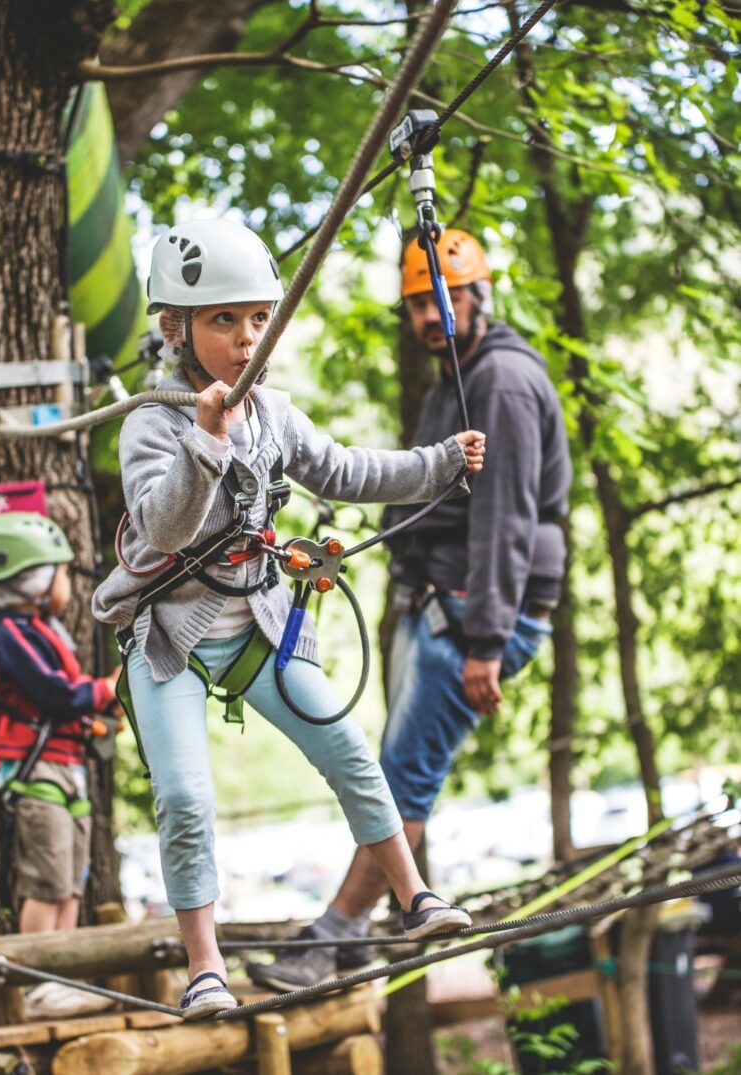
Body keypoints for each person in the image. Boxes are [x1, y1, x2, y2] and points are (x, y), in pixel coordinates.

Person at [92, 218, 487, 1020]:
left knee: (349, 749)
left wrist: (440, 463)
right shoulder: (151, 422)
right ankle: (205, 968)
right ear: (175, 327)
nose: (247, 339)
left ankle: (414, 896)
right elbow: (163, 528)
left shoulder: (271, 413)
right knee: (186, 799)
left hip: (261, 626)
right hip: (169, 640)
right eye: (223, 320)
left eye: (258, 318)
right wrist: (207, 441)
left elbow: (346, 470)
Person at [250, 228, 573, 991]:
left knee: (400, 780)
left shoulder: (501, 383)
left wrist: (486, 640)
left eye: (446, 300)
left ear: (478, 297)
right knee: (395, 772)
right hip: (445, 604)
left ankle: (335, 932)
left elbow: (505, 516)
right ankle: (348, 937)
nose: (432, 316)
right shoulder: (457, 380)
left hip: (470, 615)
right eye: (420, 304)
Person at [0, 512, 121, 1018]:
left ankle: (63, 979)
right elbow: (56, 695)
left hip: (67, 766)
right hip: (35, 773)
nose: (67, 585)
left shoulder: (39, 629)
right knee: (47, 880)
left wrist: (99, 717)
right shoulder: (7, 635)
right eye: (61, 573)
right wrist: (106, 688)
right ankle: (38, 985)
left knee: (71, 880)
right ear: (31, 580)